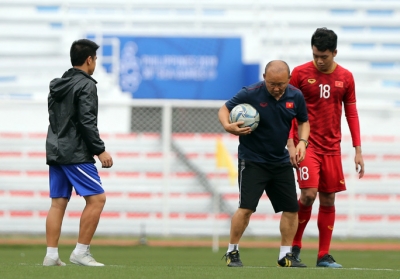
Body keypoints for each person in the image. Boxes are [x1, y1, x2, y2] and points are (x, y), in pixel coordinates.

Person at [218, 60, 310, 268]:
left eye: (281, 84)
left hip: (280, 160)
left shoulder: (295, 96)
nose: (276, 88)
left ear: (288, 79)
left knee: (291, 208)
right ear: (264, 78)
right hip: (252, 160)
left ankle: (286, 256)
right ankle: (232, 252)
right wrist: (227, 126)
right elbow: (224, 109)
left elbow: (304, 121)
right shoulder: (250, 93)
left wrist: (302, 142)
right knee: (246, 208)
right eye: (271, 84)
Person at [288, 27, 365, 268]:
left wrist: (358, 149)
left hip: (332, 147)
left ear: (335, 52)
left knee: (329, 199)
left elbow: (351, 113)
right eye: (315, 56)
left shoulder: (346, 77)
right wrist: (292, 143)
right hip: (306, 144)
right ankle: (295, 246)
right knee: (309, 195)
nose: (320, 61)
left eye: (325, 56)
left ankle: (323, 255)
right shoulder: (300, 74)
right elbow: (290, 111)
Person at [42, 39, 113, 267]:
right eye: (95, 59)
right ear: (89, 59)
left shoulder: (58, 84)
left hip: (56, 150)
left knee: (57, 203)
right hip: (76, 153)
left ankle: (51, 255)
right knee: (97, 199)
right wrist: (100, 150)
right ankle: (81, 252)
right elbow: (86, 121)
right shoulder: (86, 85)